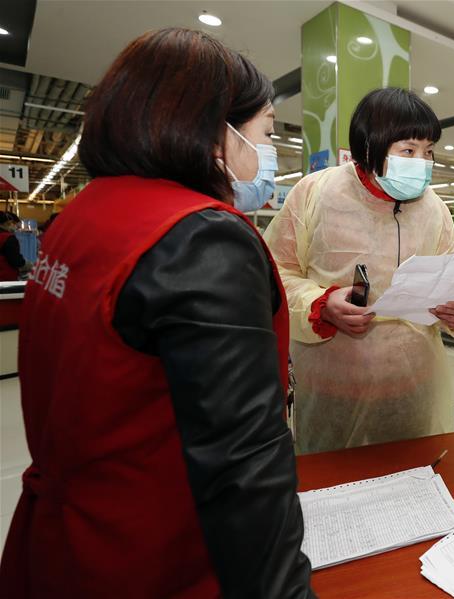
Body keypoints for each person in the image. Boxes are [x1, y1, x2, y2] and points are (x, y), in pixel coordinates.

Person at [0, 29, 315, 598]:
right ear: (216, 133)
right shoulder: (200, 238)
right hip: (164, 557)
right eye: (266, 133)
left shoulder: (83, 216)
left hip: (69, 540)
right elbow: (242, 467)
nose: (267, 155)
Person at [265, 88, 454, 454]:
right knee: (335, 489)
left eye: (428, 151)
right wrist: (322, 303)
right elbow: (273, 274)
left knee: (414, 480)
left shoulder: (435, 210)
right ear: (369, 148)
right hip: (332, 388)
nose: (422, 162)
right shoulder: (317, 193)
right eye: (408, 150)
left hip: (413, 387)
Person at [0, 212, 26, 281]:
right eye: (10, 223)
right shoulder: (8, 238)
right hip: (5, 279)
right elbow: (17, 261)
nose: (13, 225)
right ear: (4, 224)